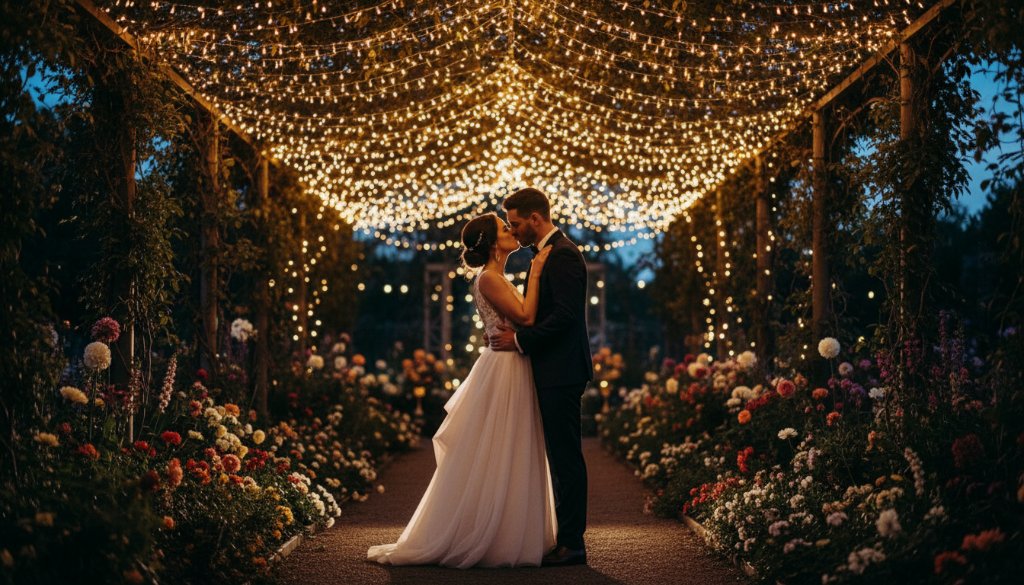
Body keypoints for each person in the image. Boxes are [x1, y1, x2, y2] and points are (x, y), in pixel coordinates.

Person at [367, 212, 556, 568]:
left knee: (509, 445)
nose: (512, 231)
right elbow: (527, 317)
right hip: (504, 367)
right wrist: (537, 271)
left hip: (509, 361)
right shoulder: (489, 279)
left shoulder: (496, 276)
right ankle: (490, 531)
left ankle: (510, 528)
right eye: (504, 228)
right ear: (491, 242)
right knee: (499, 446)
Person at [489, 187, 593, 567]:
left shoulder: (563, 255)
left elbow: (564, 317)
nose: (514, 231)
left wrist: (519, 339)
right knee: (558, 454)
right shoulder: (546, 254)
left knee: (565, 456)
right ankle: (566, 539)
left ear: (536, 218)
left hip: (563, 370)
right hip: (553, 368)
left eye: (516, 223)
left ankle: (573, 544)